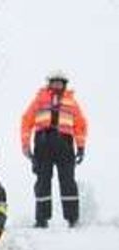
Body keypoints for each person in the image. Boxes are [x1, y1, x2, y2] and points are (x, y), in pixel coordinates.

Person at [20, 70, 88, 228]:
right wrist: (25, 144)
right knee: (42, 181)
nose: (57, 85)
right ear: (49, 83)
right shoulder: (39, 99)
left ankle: (72, 218)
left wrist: (81, 147)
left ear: (64, 84)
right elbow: (26, 120)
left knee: (68, 181)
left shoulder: (72, 101)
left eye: (60, 82)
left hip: (65, 144)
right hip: (43, 143)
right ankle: (41, 219)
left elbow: (81, 124)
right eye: (54, 82)